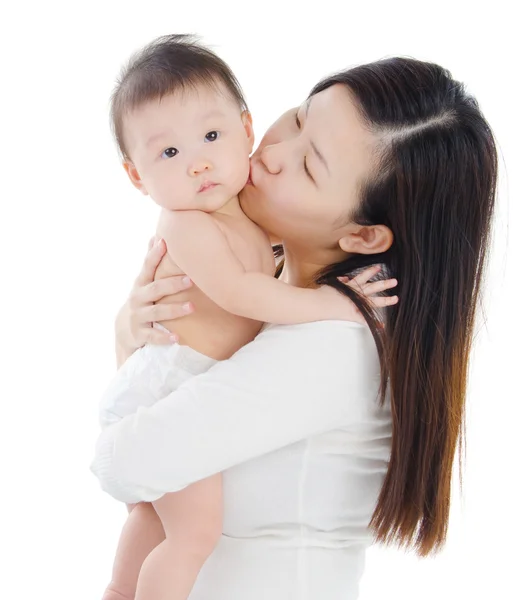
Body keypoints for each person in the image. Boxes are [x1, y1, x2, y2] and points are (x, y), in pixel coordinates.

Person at [91, 54, 497, 600]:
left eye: (309, 167)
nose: (274, 153)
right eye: (301, 118)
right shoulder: (272, 282)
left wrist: (134, 357)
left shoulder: (335, 338)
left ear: (363, 236)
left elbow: (125, 466)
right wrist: (135, 330)